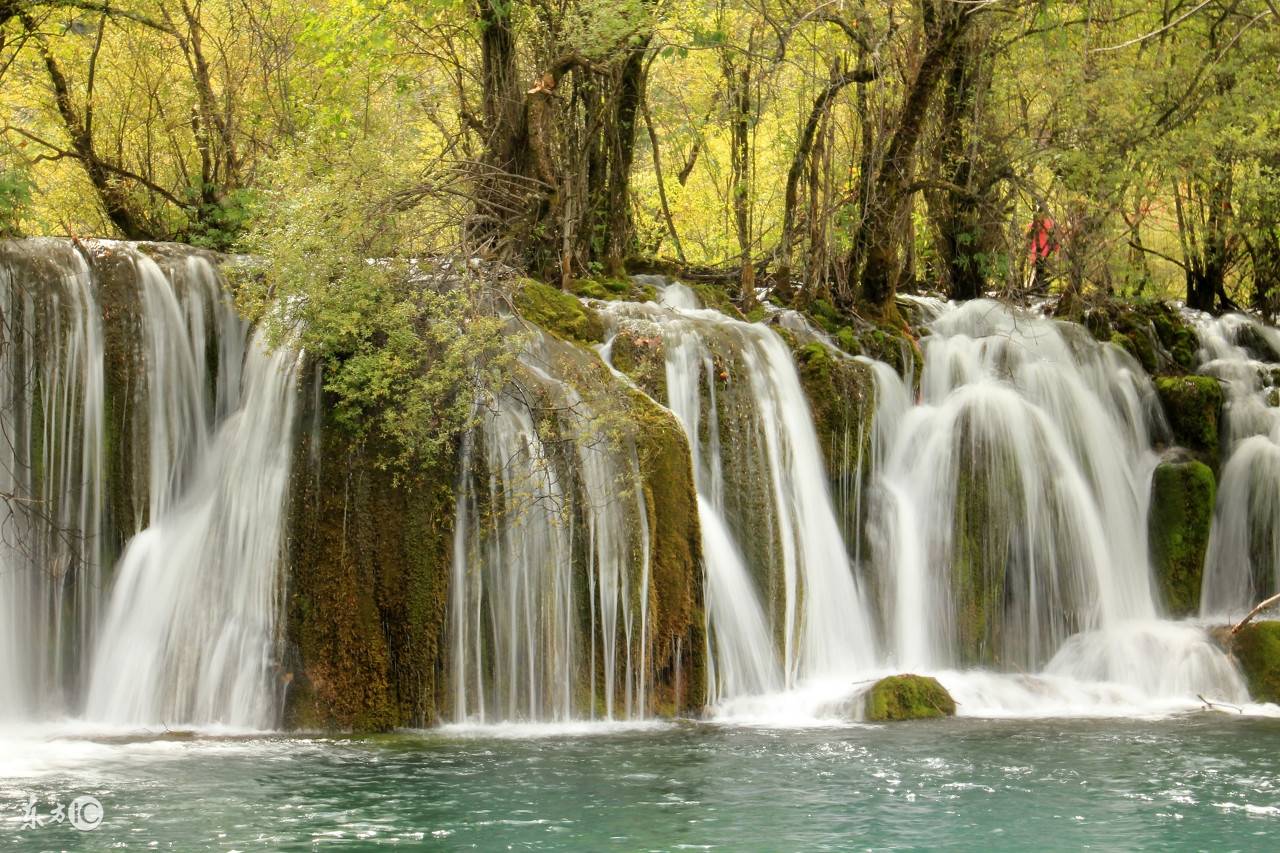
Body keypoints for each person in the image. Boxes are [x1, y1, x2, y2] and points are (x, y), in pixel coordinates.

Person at [1027, 206, 1059, 291]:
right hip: (1043, 250)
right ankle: (1039, 287)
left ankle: (1039, 287)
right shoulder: (1050, 222)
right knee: (1040, 269)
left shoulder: (1040, 222)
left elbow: (1028, 229)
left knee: (1040, 269)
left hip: (1041, 250)